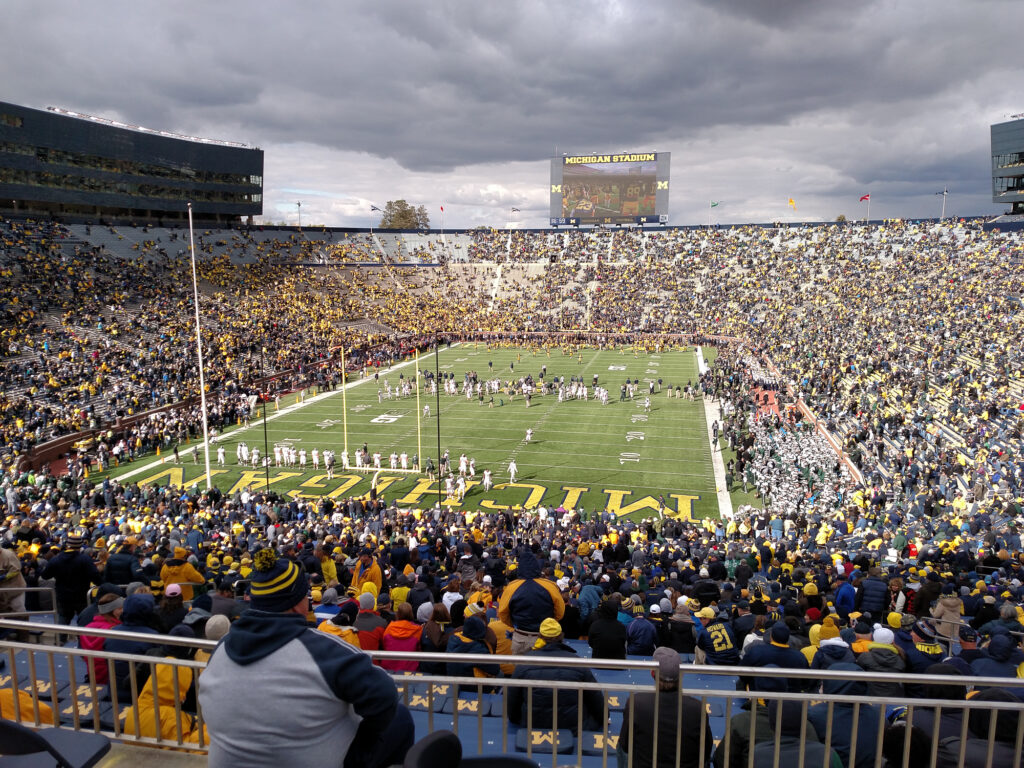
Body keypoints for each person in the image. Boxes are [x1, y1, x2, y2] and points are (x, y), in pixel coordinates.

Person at [199, 548, 414, 768]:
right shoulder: (321, 650)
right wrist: (359, 753)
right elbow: (385, 693)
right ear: (295, 602)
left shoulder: (219, 652)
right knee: (401, 717)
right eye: (306, 596)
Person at [618, 647, 713, 768]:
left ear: (653, 673)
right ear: (681, 676)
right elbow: (706, 751)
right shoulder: (697, 708)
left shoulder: (635, 703)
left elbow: (625, 745)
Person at [508, 618, 605, 735]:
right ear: (561, 636)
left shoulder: (525, 663)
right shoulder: (578, 663)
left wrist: (517, 719)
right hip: (573, 727)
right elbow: (595, 697)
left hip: (532, 725)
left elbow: (513, 699)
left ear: (540, 636)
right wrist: (604, 716)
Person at [497, 548, 565, 654]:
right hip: (545, 638)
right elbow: (560, 612)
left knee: (521, 670)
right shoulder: (550, 586)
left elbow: (503, 613)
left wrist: (517, 625)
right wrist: (548, 625)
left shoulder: (511, 587)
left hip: (521, 637)